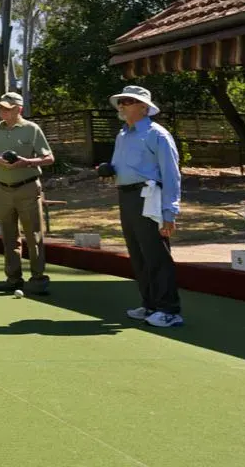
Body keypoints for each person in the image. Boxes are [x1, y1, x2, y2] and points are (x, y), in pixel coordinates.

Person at [106, 85, 184, 328]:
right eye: (121, 101)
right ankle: (150, 304)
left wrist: (169, 211)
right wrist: (108, 169)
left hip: (149, 196)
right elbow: (123, 166)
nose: (122, 105)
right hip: (127, 196)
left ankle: (169, 310)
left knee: (156, 253)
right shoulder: (122, 135)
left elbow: (171, 174)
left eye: (128, 101)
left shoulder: (157, 134)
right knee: (138, 254)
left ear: (143, 107)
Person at [0, 91, 55, 295]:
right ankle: (13, 278)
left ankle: (38, 279)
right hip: (2, 188)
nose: (2, 111)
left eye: (7, 108)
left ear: (19, 109)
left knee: (34, 235)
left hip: (27, 187)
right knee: (9, 236)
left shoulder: (32, 129)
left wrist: (27, 162)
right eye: (1, 108)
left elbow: (49, 158)